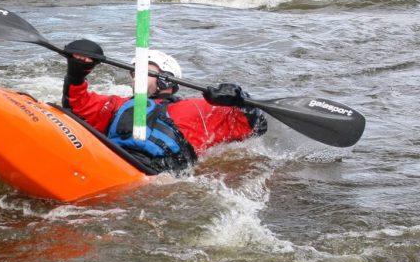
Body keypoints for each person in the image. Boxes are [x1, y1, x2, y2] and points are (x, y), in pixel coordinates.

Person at [61, 39, 267, 173]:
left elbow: (255, 125)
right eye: (134, 74)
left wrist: (238, 97)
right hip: (113, 161)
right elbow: (77, 107)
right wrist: (78, 69)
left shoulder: (200, 108)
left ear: (166, 80)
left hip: (157, 174)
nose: (135, 79)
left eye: (144, 72)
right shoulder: (118, 104)